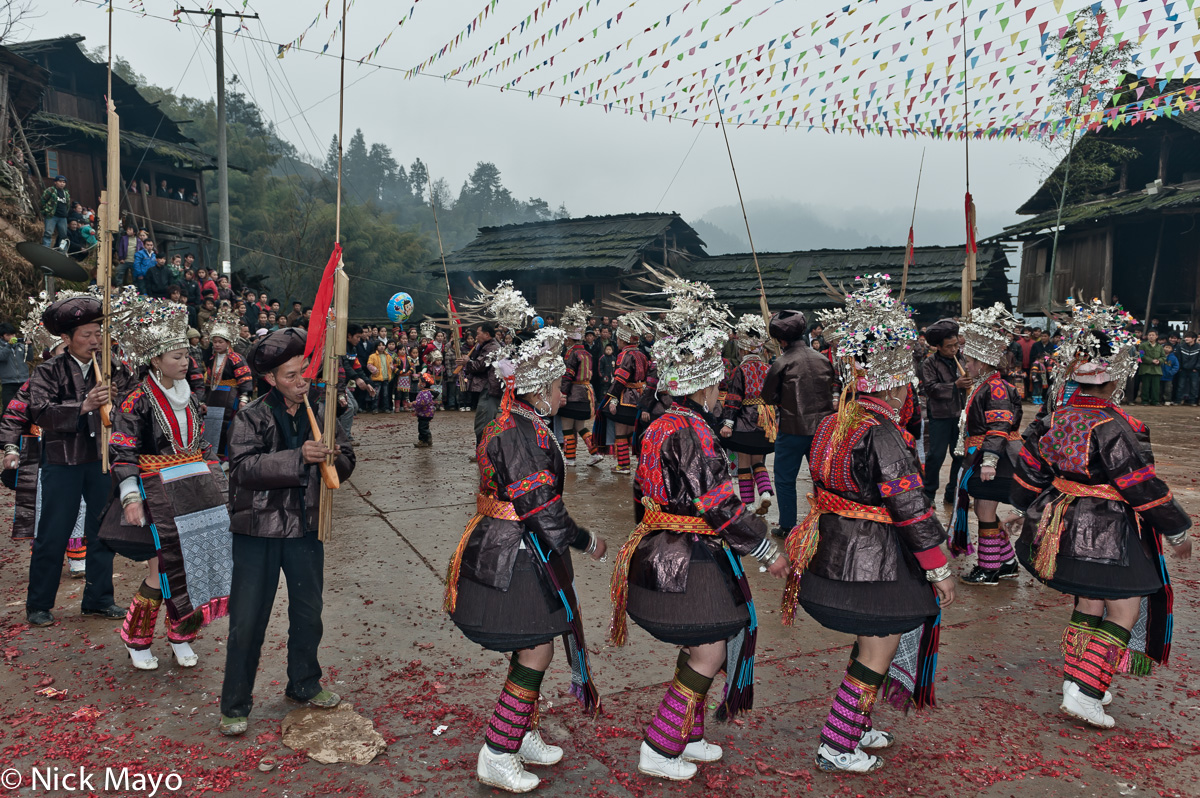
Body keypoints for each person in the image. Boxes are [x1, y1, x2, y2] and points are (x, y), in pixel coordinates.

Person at [609, 280, 788, 783]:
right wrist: (765, 548)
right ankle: (660, 746)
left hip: (661, 550)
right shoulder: (694, 430)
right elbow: (717, 505)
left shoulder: (663, 422)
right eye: (717, 385)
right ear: (705, 387)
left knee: (700, 647)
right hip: (685, 557)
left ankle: (685, 734)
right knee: (710, 648)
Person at [781, 275, 955, 774]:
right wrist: (938, 567)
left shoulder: (836, 421)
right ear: (898, 383)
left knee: (869, 643)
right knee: (878, 647)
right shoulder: (882, 432)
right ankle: (837, 743)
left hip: (830, 553)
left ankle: (855, 726)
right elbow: (912, 508)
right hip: (871, 563)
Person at [1005, 299, 1191, 729]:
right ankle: (1087, 692)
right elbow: (1140, 484)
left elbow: (1031, 469)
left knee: (1088, 601)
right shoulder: (1117, 425)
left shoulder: (1053, 417)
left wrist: (1017, 505)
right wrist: (1178, 529)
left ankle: (1077, 681)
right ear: (1116, 380)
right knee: (1124, 609)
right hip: (1106, 526)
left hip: (1060, 521)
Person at [444, 323, 605, 793]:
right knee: (537, 646)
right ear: (536, 390)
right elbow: (538, 505)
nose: (562, 399)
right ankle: (498, 750)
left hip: (521, 545)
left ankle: (522, 734)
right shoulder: (516, 429)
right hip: (511, 550)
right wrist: (585, 539)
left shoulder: (522, 421)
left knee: (531, 643)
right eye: (558, 389)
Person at [219, 328, 355, 736]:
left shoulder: (322, 410)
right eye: (291, 376)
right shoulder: (251, 415)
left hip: (305, 529)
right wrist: (299, 457)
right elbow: (242, 469)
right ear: (271, 379)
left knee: (308, 614)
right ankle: (235, 702)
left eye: (304, 373)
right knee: (247, 620)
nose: (301, 383)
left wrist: (334, 458)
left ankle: (304, 684)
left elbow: (346, 461)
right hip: (257, 531)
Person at [100, 298, 232, 671]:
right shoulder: (136, 401)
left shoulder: (190, 396)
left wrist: (217, 480)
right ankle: (137, 637)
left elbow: (202, 444)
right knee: (164, 566)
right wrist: (129, 497)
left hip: (194, 489)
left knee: (192, 564)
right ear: (156, 360)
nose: (185, 361)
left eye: (187, 354)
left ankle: (182, 633)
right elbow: (122, 452)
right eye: (176, 355)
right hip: (156, 490)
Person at [25, 293, 136, 626]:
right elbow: (40, 412)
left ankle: (99, 599)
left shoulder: (113, 366)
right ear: (66, 338)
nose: (92, 341)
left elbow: (132, 402)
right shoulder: (48, 371)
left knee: (102, 530)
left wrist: (121, 401)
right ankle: (38, 604)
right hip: (62, 462)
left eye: (96, 334)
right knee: (54, 532)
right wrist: (84, 405)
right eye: (85, 335)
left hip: (101, 459)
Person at [945, 304, 1024, 585]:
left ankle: (989, 567)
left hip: (994, 456)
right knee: (983, 510)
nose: (966, 364)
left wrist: (989, 460)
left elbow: (1000, 425)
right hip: (982, 454)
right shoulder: (984, 384)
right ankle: (1006, 562)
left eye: (969, 360)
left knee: (985, 511)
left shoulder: (996, 387)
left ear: (981, 362)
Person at [761, 309, 837, 538]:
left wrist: (783, 401)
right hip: (823, 429)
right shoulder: (822, 359)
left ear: (782, 340)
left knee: (785, 479)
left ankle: (787, 525)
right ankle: (827, 521)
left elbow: (767, 397)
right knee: (822, 478)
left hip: (793, 429)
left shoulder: (781, 363)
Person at [720, 314, 779, 516]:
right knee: (758, 461)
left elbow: (734, 398)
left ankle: (748, 504)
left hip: (745, 422)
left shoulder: (740, 370)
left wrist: (728, 423)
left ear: (743, 349)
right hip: (766, 421)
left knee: (744, 463)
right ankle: (765, 492)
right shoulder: (769, 368)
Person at [920, 319, 969, 505]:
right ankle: (929, 494)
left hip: (961, 416)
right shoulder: (929, 364)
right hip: (940, 416)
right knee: (936, 456)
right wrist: (955, 385)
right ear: (938, 347)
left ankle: (953, 493)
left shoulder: (962, 359)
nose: (954, 349)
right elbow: (930, 389)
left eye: (956, 344)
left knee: (960, 456)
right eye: (949, 346)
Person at [603, 312, 654, 475]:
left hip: (626, 398)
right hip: (640, 397)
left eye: (618, 339)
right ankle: (641, 466)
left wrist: (612, 398)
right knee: (636, 431)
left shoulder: (624, 355)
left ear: (623, 340)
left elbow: (620, 379)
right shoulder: (642, 354)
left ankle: (624, 465)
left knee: (620, 432)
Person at [202, 309, 253, 460]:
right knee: (212, 425)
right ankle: (212, 455)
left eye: (220, 342)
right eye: (215, 342)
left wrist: (244, 398)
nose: (217, 345)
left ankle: (226, 457)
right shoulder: (212, 359)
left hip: (231, 397)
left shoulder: (236, 359)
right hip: (214, 396)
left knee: (228, 427)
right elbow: (209, 380)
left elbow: (245, 378)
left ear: (228, 342)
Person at [558, 302, 604, 467]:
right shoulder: (586, 352)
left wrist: (562, 394)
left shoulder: (571, 353)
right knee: (581, 426)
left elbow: (568, 375)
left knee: (567, 426)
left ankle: (570, 458)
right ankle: (595, 452)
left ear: (570, 338)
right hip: (586, 393)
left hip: (573, 395)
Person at [465, 320, 503, 448]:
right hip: (487, 389)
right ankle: (483, 451)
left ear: (487, 334)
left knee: (484, 422)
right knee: (483, 420)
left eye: (478, 334)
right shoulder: (485, 347)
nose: (476, 337)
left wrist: (467, 361)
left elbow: (479, 366)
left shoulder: (493, 348)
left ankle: (484, 452)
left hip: (490, 389)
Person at [0, 323, 30, 412]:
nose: (12, 337)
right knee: (8, 409)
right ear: (2, 336)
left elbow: (29, 358)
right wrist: (9, 345)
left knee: (27, 408)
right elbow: (2, 357)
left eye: (13, 334)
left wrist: (29, 346)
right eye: (8, 335)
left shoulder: (20, 346)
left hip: (23, 382)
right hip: (8, 383)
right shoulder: (2, 347)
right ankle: (4, 425)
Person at [40, 175, 70, 248]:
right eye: (60, 182)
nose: (62, 183)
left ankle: (62, 250)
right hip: (51, 216)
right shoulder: (50, 190)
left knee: (63, 235)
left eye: (64, 182)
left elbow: (67, 205)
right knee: (48, 233)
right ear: (55, 182)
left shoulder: (66, 193)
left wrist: (66, 213)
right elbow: (42, 201)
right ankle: (46, 248)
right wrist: (46, 211)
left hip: (63, 217)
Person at [1137, 330, 1165, 406]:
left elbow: (1163, 357)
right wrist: (1151, 360)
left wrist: (1159, 361)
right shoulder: (1143, 345)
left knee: (1156, 387)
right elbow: (1141, 356)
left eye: (1153, 335)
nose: (1151, 337)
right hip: (1146, 369)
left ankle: (1155, 401)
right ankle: (1145, 400)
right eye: (1149, 335)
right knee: (1145, 386)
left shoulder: (1160, 347)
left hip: (1156, 369)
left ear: (1156, 336)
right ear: (1147, 336)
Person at [411, 372, 436, 448]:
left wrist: (414, 403)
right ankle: (427, 439)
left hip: (425, 413)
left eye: (419, 382)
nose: (418, 384)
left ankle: (424, 440)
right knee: (424, 426)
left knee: (422, 428)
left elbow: (422, 403)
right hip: (426, 413)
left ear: (424, 384)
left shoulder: (424, 393)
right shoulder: (428, 392)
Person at [367, 339, 392, 413]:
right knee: (376, 394)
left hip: (386, 378)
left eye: (383, 345)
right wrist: (374, 370)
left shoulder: (388, 356)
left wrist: (392, 368)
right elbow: (369, 364)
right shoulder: (373, 356)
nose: (381, 347)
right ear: (376, 347)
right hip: (376, 378)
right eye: (379, 345)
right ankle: (374, 408)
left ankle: (386, 408)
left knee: (385, 394)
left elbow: (391, 364)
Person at [1176, 332, 1199, 406]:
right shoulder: (1181, 347)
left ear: (1194, 339)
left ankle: (1192, 401)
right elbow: (1179, 358)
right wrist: (1180, 367)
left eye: (1188, 337)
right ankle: (1178, 400)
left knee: (1194, 386)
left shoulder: (1198, 347)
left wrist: (1197, 368)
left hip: (1194, 370)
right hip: (1183, 369)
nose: (1186, 338)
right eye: (1185, 337)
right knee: (1180, 385)